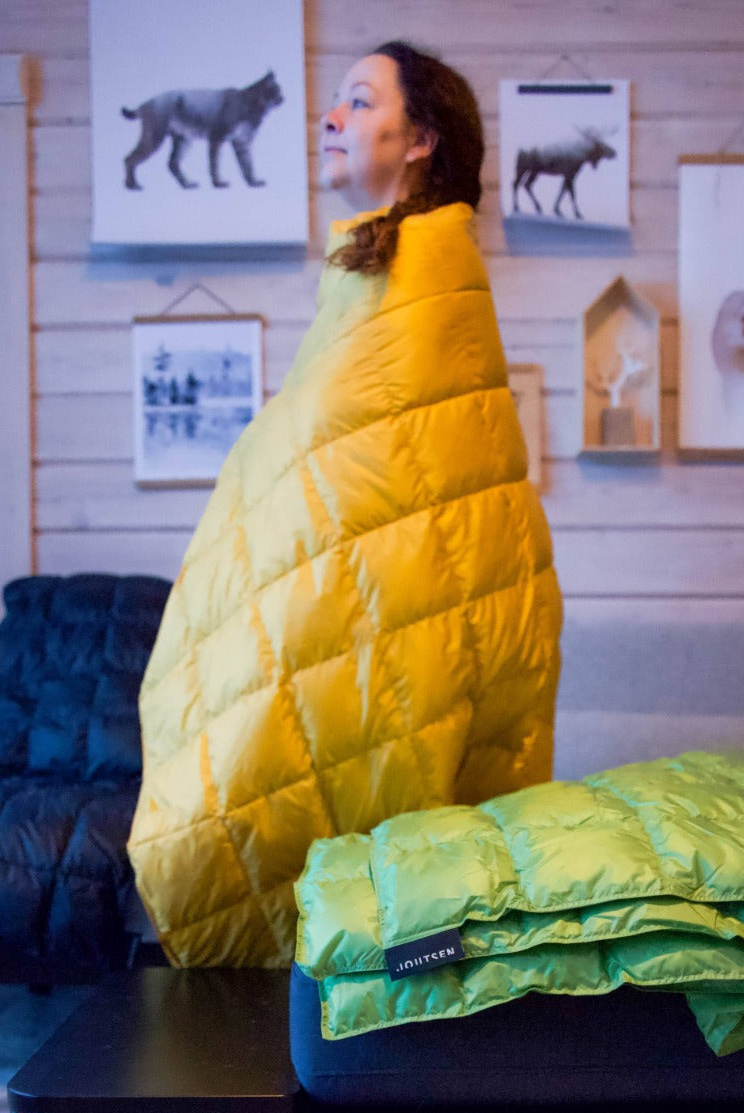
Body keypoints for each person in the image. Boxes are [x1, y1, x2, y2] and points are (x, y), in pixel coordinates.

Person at [129, 43, 562, 968]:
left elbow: (416, 489)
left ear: (419, 142)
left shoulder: (426, 281)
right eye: (334, 102)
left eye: (360, 103)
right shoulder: (370, 273)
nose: (330, 118)